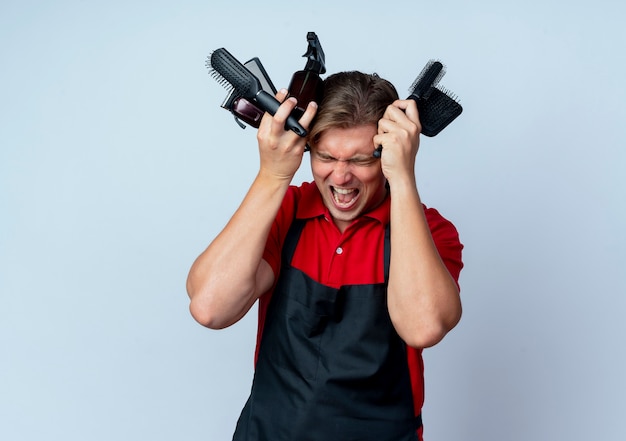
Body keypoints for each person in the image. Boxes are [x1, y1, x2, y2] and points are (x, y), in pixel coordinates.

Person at [187, 71, 464, 441]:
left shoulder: (429, 231)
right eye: (326, 156)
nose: (341, 176)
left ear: (388, 155)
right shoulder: (285, 211)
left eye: (362, 160)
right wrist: (272, 176)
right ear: (307, 150)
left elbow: (423, 328)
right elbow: (210, 307)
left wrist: (403, 179)